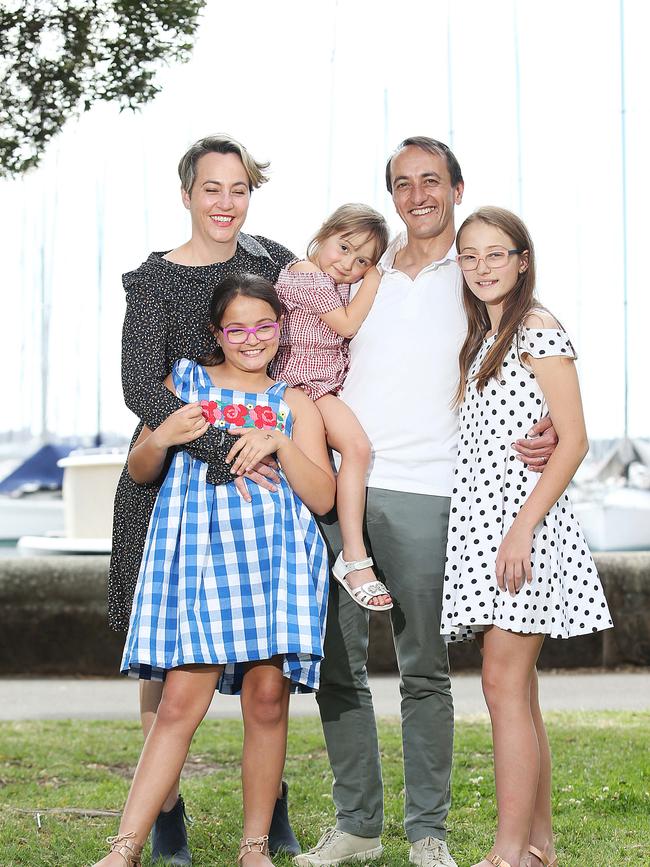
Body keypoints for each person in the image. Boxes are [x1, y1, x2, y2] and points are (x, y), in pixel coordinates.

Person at [295, 138, 559, 867]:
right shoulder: (359, 275)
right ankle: (356, 825)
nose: (419, 194)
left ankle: (426, 832)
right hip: (339, 486)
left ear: (456, 186)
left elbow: (532, 337)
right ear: (392, 195)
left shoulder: (473, 274)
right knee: (337, 665)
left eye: (432, 180)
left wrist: (552, 422)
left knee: (424, 669)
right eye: (404, 183)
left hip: (431, 491)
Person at [95, 275, 335, 867]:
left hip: (274, 561)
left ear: (281, 327)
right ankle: (124, 847)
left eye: (264, 326)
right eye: (236, 328)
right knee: (179, 700)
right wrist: (167, 434)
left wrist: (279, 441)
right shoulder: (186, 382)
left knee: (267, 697)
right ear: (216, 333)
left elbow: (324, 497)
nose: (251, 339)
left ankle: (254, 847)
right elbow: (143, 468)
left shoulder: (294, 401)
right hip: (201, 560)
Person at [109, 135, 302, 861]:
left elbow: (319, 342)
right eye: (212, 188)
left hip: (264, 481)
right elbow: (140, 383)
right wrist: (220, 449)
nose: (226, 202)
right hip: (173, 475)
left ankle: (272, 805)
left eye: (239, 188)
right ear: (187, 192)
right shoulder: (156, 279)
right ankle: (165, 812)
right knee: (164, 660)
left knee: (265, 665)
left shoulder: (274, 261)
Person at [441, 207, 612, 867]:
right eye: (471, 255)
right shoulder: (483, 339)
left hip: (525, 530)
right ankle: (538, 846)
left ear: (522, 259)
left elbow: (574, 440)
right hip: (491, 527)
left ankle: (508, 852)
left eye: (496, 253)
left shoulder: (537, 328)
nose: (483, 266)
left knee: (501, 681)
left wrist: (520, 531)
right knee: (518, 687)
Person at [270, 203, 392, 612]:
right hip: (296, 386)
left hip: (322, 388)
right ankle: (343, 558)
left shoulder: (332, 279)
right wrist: (374, 278)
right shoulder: (304, 273)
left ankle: (353, 557)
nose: (348, 264)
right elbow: (346, 325)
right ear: (324, 235)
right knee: (319, 480)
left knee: (357, 449)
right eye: (343, 248)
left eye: (362, 261)